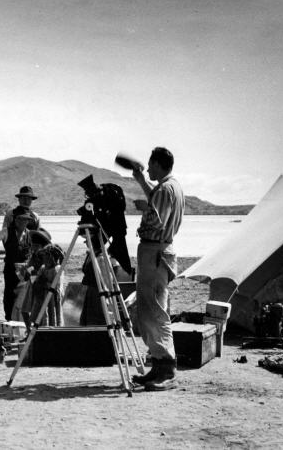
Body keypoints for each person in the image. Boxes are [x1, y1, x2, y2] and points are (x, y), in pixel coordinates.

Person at [130, 147, 185, 391]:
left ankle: (167, 367)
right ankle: (160, 363)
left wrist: (145, 209)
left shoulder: (164, 189)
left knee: (153, 311)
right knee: (153, 308)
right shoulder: (171, 187)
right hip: (160, 251)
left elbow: (156, 216)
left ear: (157, 163)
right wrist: (142, 181)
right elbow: (158, 202)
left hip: (155, 251)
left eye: (150, 166)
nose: (149, 169)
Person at [0, 186, 41, 320]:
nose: (26, 200)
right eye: (23, 198)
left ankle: (25, 319)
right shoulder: (10, 214)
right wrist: (13, 250)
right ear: (19, 199)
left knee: (29, 290)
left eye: (28, 198)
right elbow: (4, 235)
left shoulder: (35, 217)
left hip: (29, 263)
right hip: (12, 262)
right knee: (10, 291)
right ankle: (10, 318)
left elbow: (37, 239)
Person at [76, 175, 132, 275]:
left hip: (116, 226)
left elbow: (114, 209)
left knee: (120, 250)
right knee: (97, 245)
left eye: (89, 192)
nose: (89, 195)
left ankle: (125, 273)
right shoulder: (98, 196)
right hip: (106, 227)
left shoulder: (109, 192)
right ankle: (99, 271)